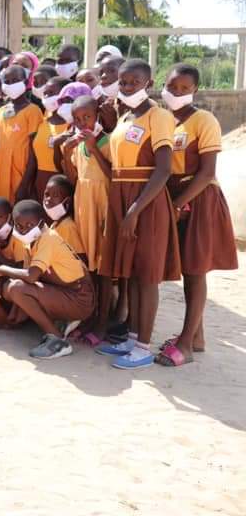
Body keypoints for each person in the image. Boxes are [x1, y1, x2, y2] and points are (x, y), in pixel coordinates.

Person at [97, 59, 181, 369]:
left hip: (146, 201)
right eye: (123, 82)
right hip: (123, 197)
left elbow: (163, 170)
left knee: (146, 276)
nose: (127, 87)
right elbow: (117, 169)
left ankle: (144, 345)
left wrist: (134, 210)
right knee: (130, 272)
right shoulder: (124, 117)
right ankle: (132, 337)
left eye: (134, 82)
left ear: (148, 83)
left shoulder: (158, 116)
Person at [158, 63, 238, 366]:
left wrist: (178, 204)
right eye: (172, 87)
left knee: (194, 271)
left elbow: (206, 173)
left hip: (198, 199)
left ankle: (186, 345)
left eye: (184, 88)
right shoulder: (163, 119)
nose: (177, 93)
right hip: (175, 198)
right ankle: (197, 336)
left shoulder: (204, 120)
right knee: (187, 267)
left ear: (195, 90)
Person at [0, 200, 96, 359]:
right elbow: (25, 273)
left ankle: (57, 340)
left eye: (29, 225)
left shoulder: (48, 239)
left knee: (16, 288)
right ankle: (61, 321)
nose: (23, 230)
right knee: (10, 287)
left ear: (41, 223)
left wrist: (1, 270)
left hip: (79, 298)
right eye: (19, 226)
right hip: (64, 292)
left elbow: (30, 277)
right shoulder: (30, 241)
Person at [58, 95, 113, 343]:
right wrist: (65, 152)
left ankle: (102, 323)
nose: (83, 124)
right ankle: (89, 317)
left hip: (102, 210)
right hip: (84, 209)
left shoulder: (107, 142)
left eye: (87, 117)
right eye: (78, 120)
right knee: (87, 266)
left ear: (98, 115)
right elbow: (74, 178)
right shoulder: (79, 145)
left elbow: (114, 177)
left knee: (103, 269)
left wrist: (93, 149)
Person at [0, 65, 44, 202]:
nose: (11, 84)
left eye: (15, 80)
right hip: (0, 167)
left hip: (21, 167)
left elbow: (34, 150)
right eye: (7, 81)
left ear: (25, 81)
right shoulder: (0, 111)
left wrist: (25, 183)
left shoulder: (33, 111)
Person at [28, 77, 72, 199]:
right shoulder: (42, 123)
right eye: (45, 93)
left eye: (52, 93)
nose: (47, 97)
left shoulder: (72, 124)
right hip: (40, 181)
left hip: (63, 184)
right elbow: (33, 160)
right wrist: (27, 184)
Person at [42, 173, 86, 258]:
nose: (48, 200)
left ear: (67, 202)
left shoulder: (68, 227)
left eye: (55, 195)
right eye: (47, 194)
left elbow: (80, 259)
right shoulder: (56, 224)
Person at [94, 54, 124, 132]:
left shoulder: (138, 106)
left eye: (112, 71)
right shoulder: (105, 105)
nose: (103, 76)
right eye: (101, 72)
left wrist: (114, 124)